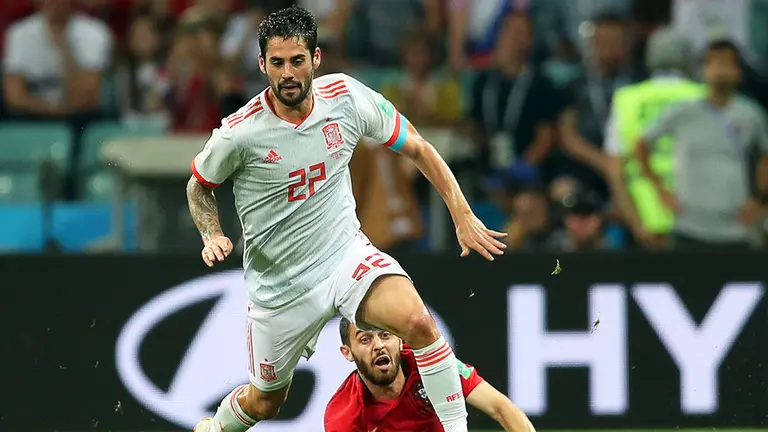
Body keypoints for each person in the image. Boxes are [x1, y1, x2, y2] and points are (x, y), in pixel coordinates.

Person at [186, 6, 506, 432]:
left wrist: (462, 214)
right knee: (265, 402)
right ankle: (214, 429)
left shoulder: (346, 98)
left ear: (315, 59)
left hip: (343, 256)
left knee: (417, 322)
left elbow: (418, 147)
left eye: (297, 61)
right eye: (277, 63)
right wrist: (211, 233)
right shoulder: (239, 133)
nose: (287, 73)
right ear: (262, 64)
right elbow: (198, 186)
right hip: (279, 287)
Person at [635, 39, 768, 250]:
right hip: (689, 224)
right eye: (714, 64)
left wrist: (759, 199)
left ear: (738, 72)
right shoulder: (682, 112)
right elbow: (641, 145)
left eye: (727, 64)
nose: (721, 71)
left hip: (736, 226)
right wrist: (661, 190)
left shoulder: (752, 115)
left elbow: (764, 159)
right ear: (703, 70)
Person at [325, 318, 537, 432]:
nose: (379, 346)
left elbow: (501, 408)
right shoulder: (344, 416)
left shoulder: (433, 365)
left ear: (400, 340)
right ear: (348, 352)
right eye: (365, 340)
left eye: (385, 335)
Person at [603, 27, 704, 248]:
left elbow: (615, 170)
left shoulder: (627, 99)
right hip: (696, 219)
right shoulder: (704, 97)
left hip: (644, 217)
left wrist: (636, 223)